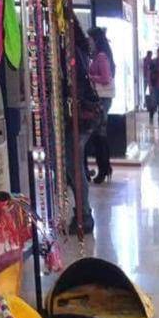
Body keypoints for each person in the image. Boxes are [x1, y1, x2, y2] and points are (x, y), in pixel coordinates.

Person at [64, 19, 100, 234]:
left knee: (74, 165)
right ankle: (82, 212)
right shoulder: (81, 52)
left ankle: (83, 214)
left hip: (79, 118)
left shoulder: (74, 55)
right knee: (74, 164)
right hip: (82, 117)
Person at [87, 26, 115, 184]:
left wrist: (90, 77)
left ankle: (104, 169)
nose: (89, 41)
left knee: (100, 135)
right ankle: (105, 168)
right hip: (103, 98)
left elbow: (105, 78)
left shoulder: (102, 57)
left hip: (102, 98)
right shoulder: (100, 55)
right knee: (100, 135)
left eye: (90, 39)